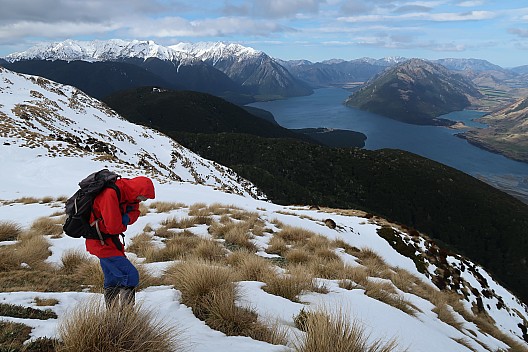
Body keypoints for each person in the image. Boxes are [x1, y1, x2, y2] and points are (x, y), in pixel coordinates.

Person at [85, 175, 155, 308]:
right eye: (143, 197)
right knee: (130, 275)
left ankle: (112, 313)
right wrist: (123, 221)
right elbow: (113, 227)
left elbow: (135, 212)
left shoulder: (130, 195)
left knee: (113, 279)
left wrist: (126, 218)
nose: (143, 200)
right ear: (138, 191)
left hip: (110, 241)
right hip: (100, 242)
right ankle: (125, 317)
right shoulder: (110, 194)